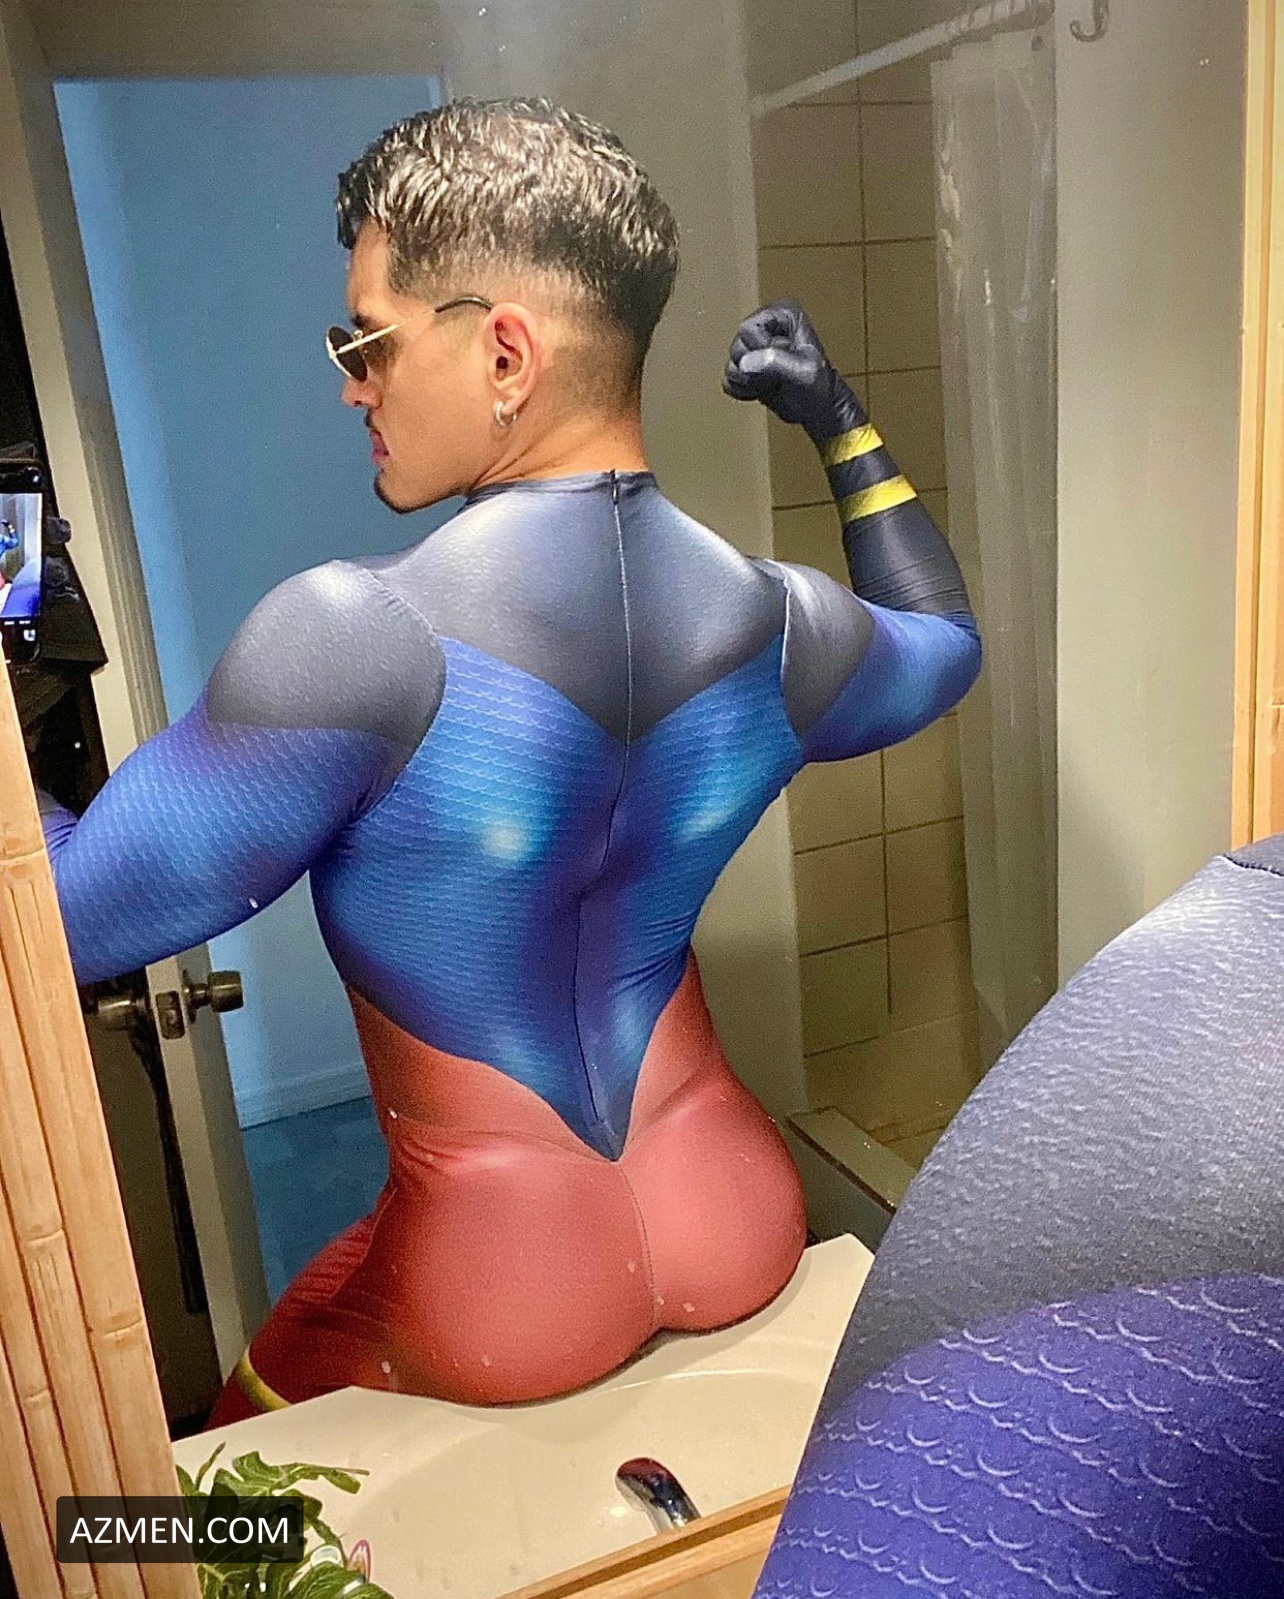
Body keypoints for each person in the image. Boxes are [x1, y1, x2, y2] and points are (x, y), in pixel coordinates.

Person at [39, 99, 980, 1427]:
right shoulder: (780, 625)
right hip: (727, 1192)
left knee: (202, 1482)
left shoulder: (352, 638)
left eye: (367, 340)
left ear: (505, 353)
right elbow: (945, 642)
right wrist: (839, 421)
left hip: (505, 1270)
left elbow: (57, 921)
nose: (351, 384)